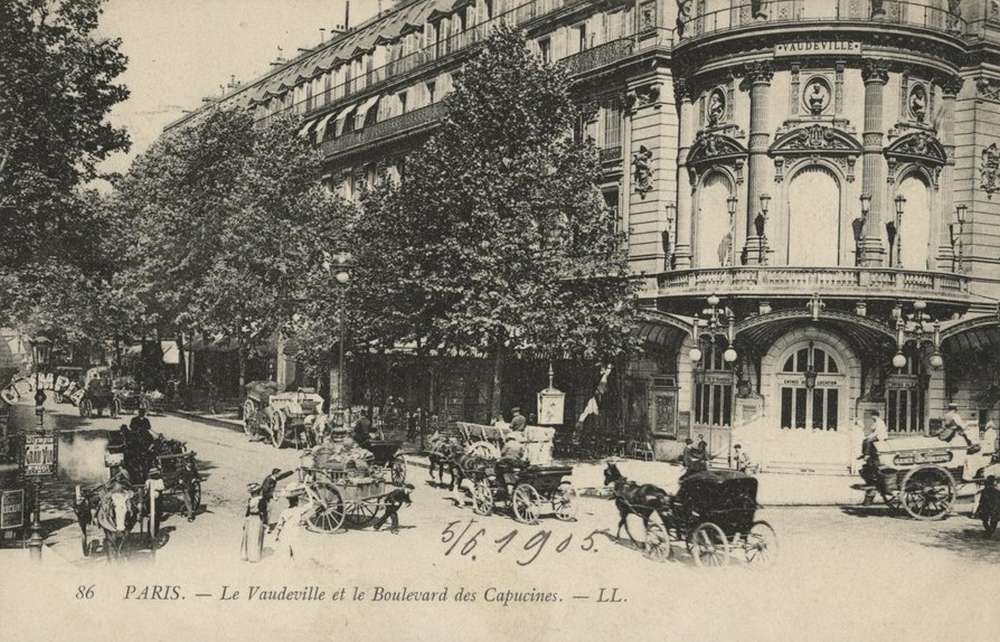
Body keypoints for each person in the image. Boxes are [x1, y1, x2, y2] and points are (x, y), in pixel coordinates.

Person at [240, 482, 266, 563]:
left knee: (252, 536)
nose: (251, 494)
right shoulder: (256, 500)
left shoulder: (259, 500)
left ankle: (251, 556)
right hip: (253, 519)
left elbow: (262, 511)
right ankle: (250, 555)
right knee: (252, 536)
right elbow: (249, 511)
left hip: (255, 518)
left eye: (253, 493)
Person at [144, 467, 165, 533]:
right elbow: (146, 489)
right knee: (150, 516)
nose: (154, 476)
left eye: (155, 474)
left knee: (157, 515)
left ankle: (156, 531)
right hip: (150, 500)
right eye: (153, 475)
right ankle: (149, 532)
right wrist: (148, 489)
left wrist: (155, 488)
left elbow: (161, 487)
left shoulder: (160, 480)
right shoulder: (148, 481)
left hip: (158, 500)